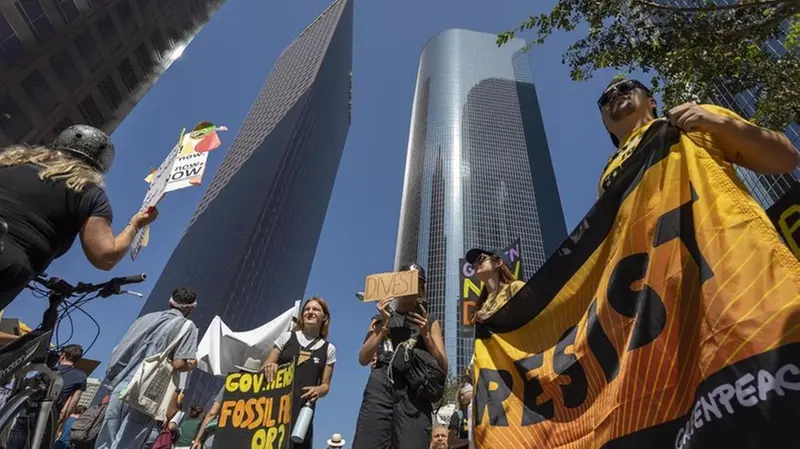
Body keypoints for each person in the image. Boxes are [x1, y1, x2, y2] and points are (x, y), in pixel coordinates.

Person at [0, 125, 159, 311]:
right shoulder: (89, 193)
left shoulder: (10, 161)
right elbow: (105, 257)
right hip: (8, 264)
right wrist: (135, 225)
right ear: (100, 164)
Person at [597, 77, 798, 198]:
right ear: (606, 127)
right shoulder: (606, 176)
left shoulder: (696, 118)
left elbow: (785, 158)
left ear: (652, 101)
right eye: (605, 99)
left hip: (730, 254)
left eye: (626, 88)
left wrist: (718, 122)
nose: (615, 94)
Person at [351, 264, 448, 449]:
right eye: (404, 280)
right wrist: (384, 325)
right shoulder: (379, 318)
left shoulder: (430, 321)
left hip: (414, 390)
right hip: (380, 386)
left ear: (421, 289)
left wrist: (426, 335)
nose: (409, 286)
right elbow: (363, 358)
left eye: (415, 281)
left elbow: (443, 366)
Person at [95, 287, 200, 449]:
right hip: (148, 391)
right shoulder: (187, 326)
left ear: (169, 302)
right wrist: (193, 363)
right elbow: (179, 363)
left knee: (106, 441)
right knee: (127, 443)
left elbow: (120, 349)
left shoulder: (145, 319)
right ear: (191, 308)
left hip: (122, 384)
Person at [262, 297, 337, 449]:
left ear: (325, 317)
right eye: (307, 309)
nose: (310, 312)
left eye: (316, 309)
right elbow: (266, 365)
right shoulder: (286, 338)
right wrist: (269, 366)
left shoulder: (329, 349)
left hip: (302, 413)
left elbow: (325, 385)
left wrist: (320, 389)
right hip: (275, 409)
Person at [7, 344, 88, 449]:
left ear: (62, 355)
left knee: (17, 437)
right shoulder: (80, 376)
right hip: (49, 416)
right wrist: (61, 422)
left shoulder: (46, 368)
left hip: (29, 409)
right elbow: (73, 402)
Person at [192, 357, 265, 449]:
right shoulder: (258, 392)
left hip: (218, 435)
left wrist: (198, 439)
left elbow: (212, 413)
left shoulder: (230, 386)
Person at [464, 248, 525, 323]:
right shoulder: (481, 305)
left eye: (480, 258)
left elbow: (535, 318)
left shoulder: (515, 287)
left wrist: (492, 318)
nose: (475, 264)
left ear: (498, 263)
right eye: (473, 265)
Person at [448, 385, 473, 449]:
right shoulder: (457, 415)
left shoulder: (480, 416)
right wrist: (470, 441)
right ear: (461, 397)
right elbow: (451, 441)